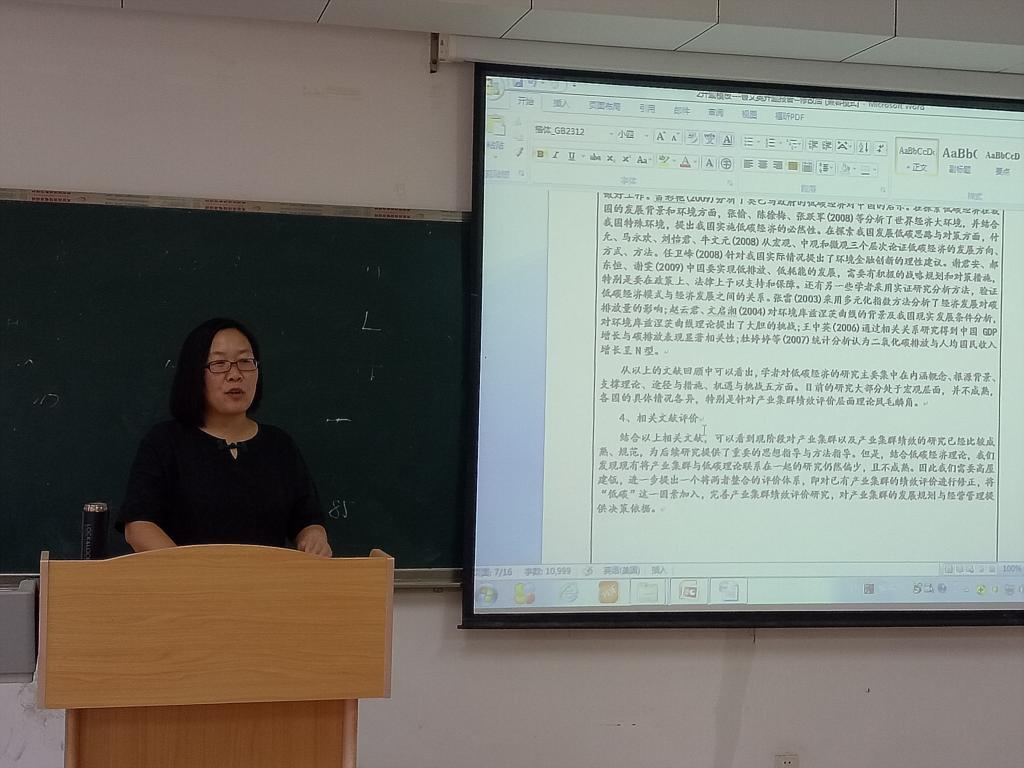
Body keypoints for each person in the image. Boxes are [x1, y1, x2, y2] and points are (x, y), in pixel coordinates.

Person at [118, 317, 332, 557]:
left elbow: (308, 521)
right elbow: (138, 526)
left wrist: (314, 537)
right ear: (194, 373)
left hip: (268, 579)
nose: (235, 375)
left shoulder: (279, 445)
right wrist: (193, 570)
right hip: (186, 579)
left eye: (245, 362)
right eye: (219, 364)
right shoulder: (165, 442)